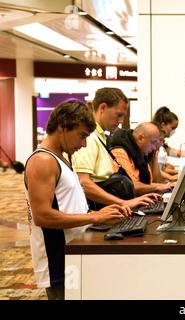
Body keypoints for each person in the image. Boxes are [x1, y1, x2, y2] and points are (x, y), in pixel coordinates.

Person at [24, 100, 131, 300]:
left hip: (72, 253)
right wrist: (94, 217)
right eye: (81, 136)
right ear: (62, 126)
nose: (83, 144)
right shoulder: (43, 161)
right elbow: (42, 216)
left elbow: (69, 205)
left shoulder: (60, 158)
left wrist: (98, 218)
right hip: (58, 260)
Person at [70, 87, 157, 210]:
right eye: (118, 115)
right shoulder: (89, 139)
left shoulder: (101, 137)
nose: (121, 121)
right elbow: (83, 182)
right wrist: (122, 203)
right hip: (98, 213)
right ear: (103, 108)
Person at [109, 122, 172, 195]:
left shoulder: (140, 153)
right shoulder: (120, 152)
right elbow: (130, 186)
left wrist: (166, 186)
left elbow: (150, 183)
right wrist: (157, 187)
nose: (154, 147)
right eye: (152, 142)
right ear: (140, 138)